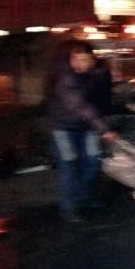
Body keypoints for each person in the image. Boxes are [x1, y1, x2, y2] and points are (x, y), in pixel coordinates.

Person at [47, 40, 117, 222]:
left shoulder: (95, 74)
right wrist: (104, 129)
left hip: (87, 127)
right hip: (63, 128)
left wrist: (106, 119)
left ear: (92, 60)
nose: (80, 63)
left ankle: (85, 197)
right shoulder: (66, 78)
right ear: (70, 59)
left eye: (85, 59)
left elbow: (103, 99)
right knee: (69, 165)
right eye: (76, 59)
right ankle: (69, 207)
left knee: (93, 162)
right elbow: (80, 106)